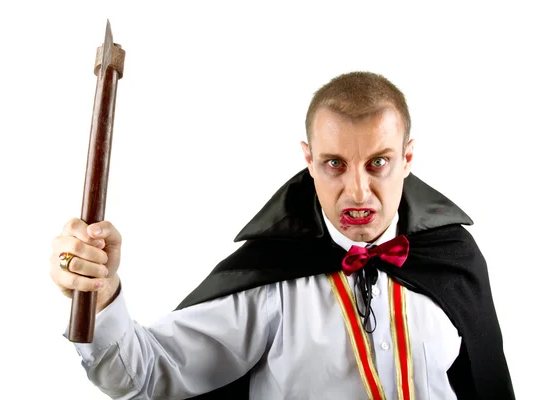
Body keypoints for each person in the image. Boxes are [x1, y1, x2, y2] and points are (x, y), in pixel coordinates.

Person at [50, 71, 514, 400]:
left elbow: (484, 379)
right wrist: (101, 293)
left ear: (407, 159)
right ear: (308, 160)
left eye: (378, 162)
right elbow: (143, 375)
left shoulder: (453, 257)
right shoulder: (269, 280)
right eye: (335, 163)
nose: (357, 190)